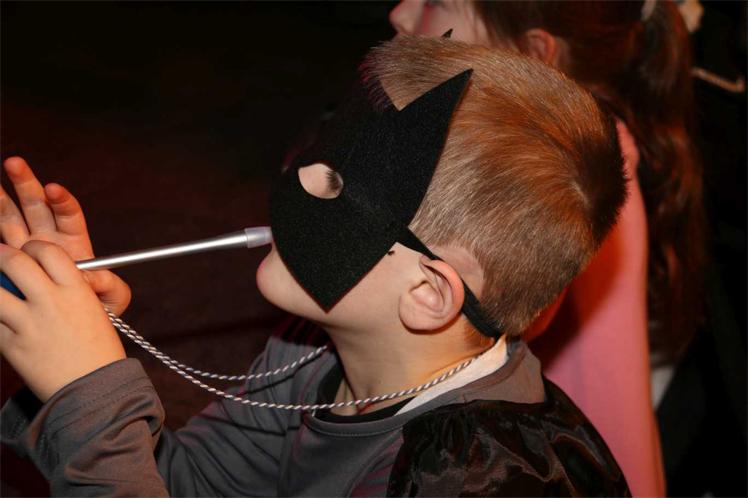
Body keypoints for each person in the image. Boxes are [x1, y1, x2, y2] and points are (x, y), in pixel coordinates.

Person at [1, 36, 630, 496]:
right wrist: (66, 352)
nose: (297, 176)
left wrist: (91, 392)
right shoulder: (314, 348)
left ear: (428, 292)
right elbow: (191, 486)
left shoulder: (455, 480)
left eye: (337, 185)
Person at [389, 1, 707, 496]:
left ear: (535, 51)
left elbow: (495, 320)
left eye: (438, 3)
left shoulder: (570, 169)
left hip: (553, 465)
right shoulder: (573, 136)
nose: (401, 13)